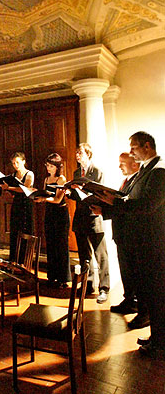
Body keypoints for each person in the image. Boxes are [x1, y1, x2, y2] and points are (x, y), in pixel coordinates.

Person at [97, 132, 165, 359]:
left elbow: (146, 205)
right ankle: (156, 336)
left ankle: (160, 342)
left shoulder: (159, 171)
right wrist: (108, 206)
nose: (132, 153)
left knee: (157, 295)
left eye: (134, 148)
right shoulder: (146, 169)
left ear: (147, 146)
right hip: (143, 240)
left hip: (154, 241)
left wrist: (113, 203)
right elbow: (130, 199)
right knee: (150, 292)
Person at [94, 153, 141, 317]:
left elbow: (130, 209)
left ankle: (136, 305)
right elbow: (120, 207)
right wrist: (103, 210)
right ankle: (128, 300)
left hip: (130, 234)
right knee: (126, 271)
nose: (120, 166)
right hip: (121, 234)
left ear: (135, 165)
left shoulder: (138, 181)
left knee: (134, 272)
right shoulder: (127, 181)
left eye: (123, 163)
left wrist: (109, 205)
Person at [69, 143, 110, 303]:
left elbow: (101, 193)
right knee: (84, 255)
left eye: (80, 153)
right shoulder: (76, 172)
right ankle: (89, 284)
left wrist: (83, 191)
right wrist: (70, 192)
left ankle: (104, 289)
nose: (77, 156)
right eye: (76, 153)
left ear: (88, 154)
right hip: (80, 217)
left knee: (101, 255)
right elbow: (76, 195)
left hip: (94, 217)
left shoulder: (97, 172)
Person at [34, 153, 71, 287]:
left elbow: (57, 199)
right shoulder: (46, 179)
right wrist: (37, 195)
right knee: (51, 244)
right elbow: (45, 194)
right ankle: (52, 276)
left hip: (60, 213)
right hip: (50, 213)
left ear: (57, 166)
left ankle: (63, 279)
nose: (48, 168)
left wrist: (43, 199)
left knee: (61, 245)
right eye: (47, 166)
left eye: (51, 166)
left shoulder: (61, 179)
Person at [0, 151, 34, 261]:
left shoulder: (29, 174)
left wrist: (9, 188)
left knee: (25, 232)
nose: (15, 165)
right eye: (13, 163)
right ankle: (14, 260)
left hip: (26, 206)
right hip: (16, 205)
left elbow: (25, 189)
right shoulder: (13, 175)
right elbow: (13, 192)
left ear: (23, 161)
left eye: (18, 162)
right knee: (14, 232)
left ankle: (24, 261)